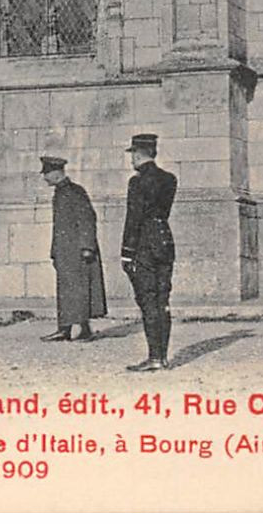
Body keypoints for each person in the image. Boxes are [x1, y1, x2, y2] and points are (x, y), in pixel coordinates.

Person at [121, 133, 177, 371]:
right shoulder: (169, 179)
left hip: (144, 245)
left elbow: (133, 218)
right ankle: (162, 356)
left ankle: (154, 357)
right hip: (164, 241)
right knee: (162, 300)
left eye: (132, 154)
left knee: (147, 299)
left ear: (138, 153)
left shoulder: (137, 182)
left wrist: (126, 252)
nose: (131, 159)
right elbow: (162, 212)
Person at [40, 156, 107, 342]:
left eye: (46, 173)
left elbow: (87, 219)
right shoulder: (60, 193)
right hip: (64, 251)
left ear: (56, 173)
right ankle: (65, 329)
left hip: (77, 251)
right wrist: (54, 251)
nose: (44, 177)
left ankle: (83, 329)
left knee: (79, 289)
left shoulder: (75, 192)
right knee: (66, 290)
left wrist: (87, 247)